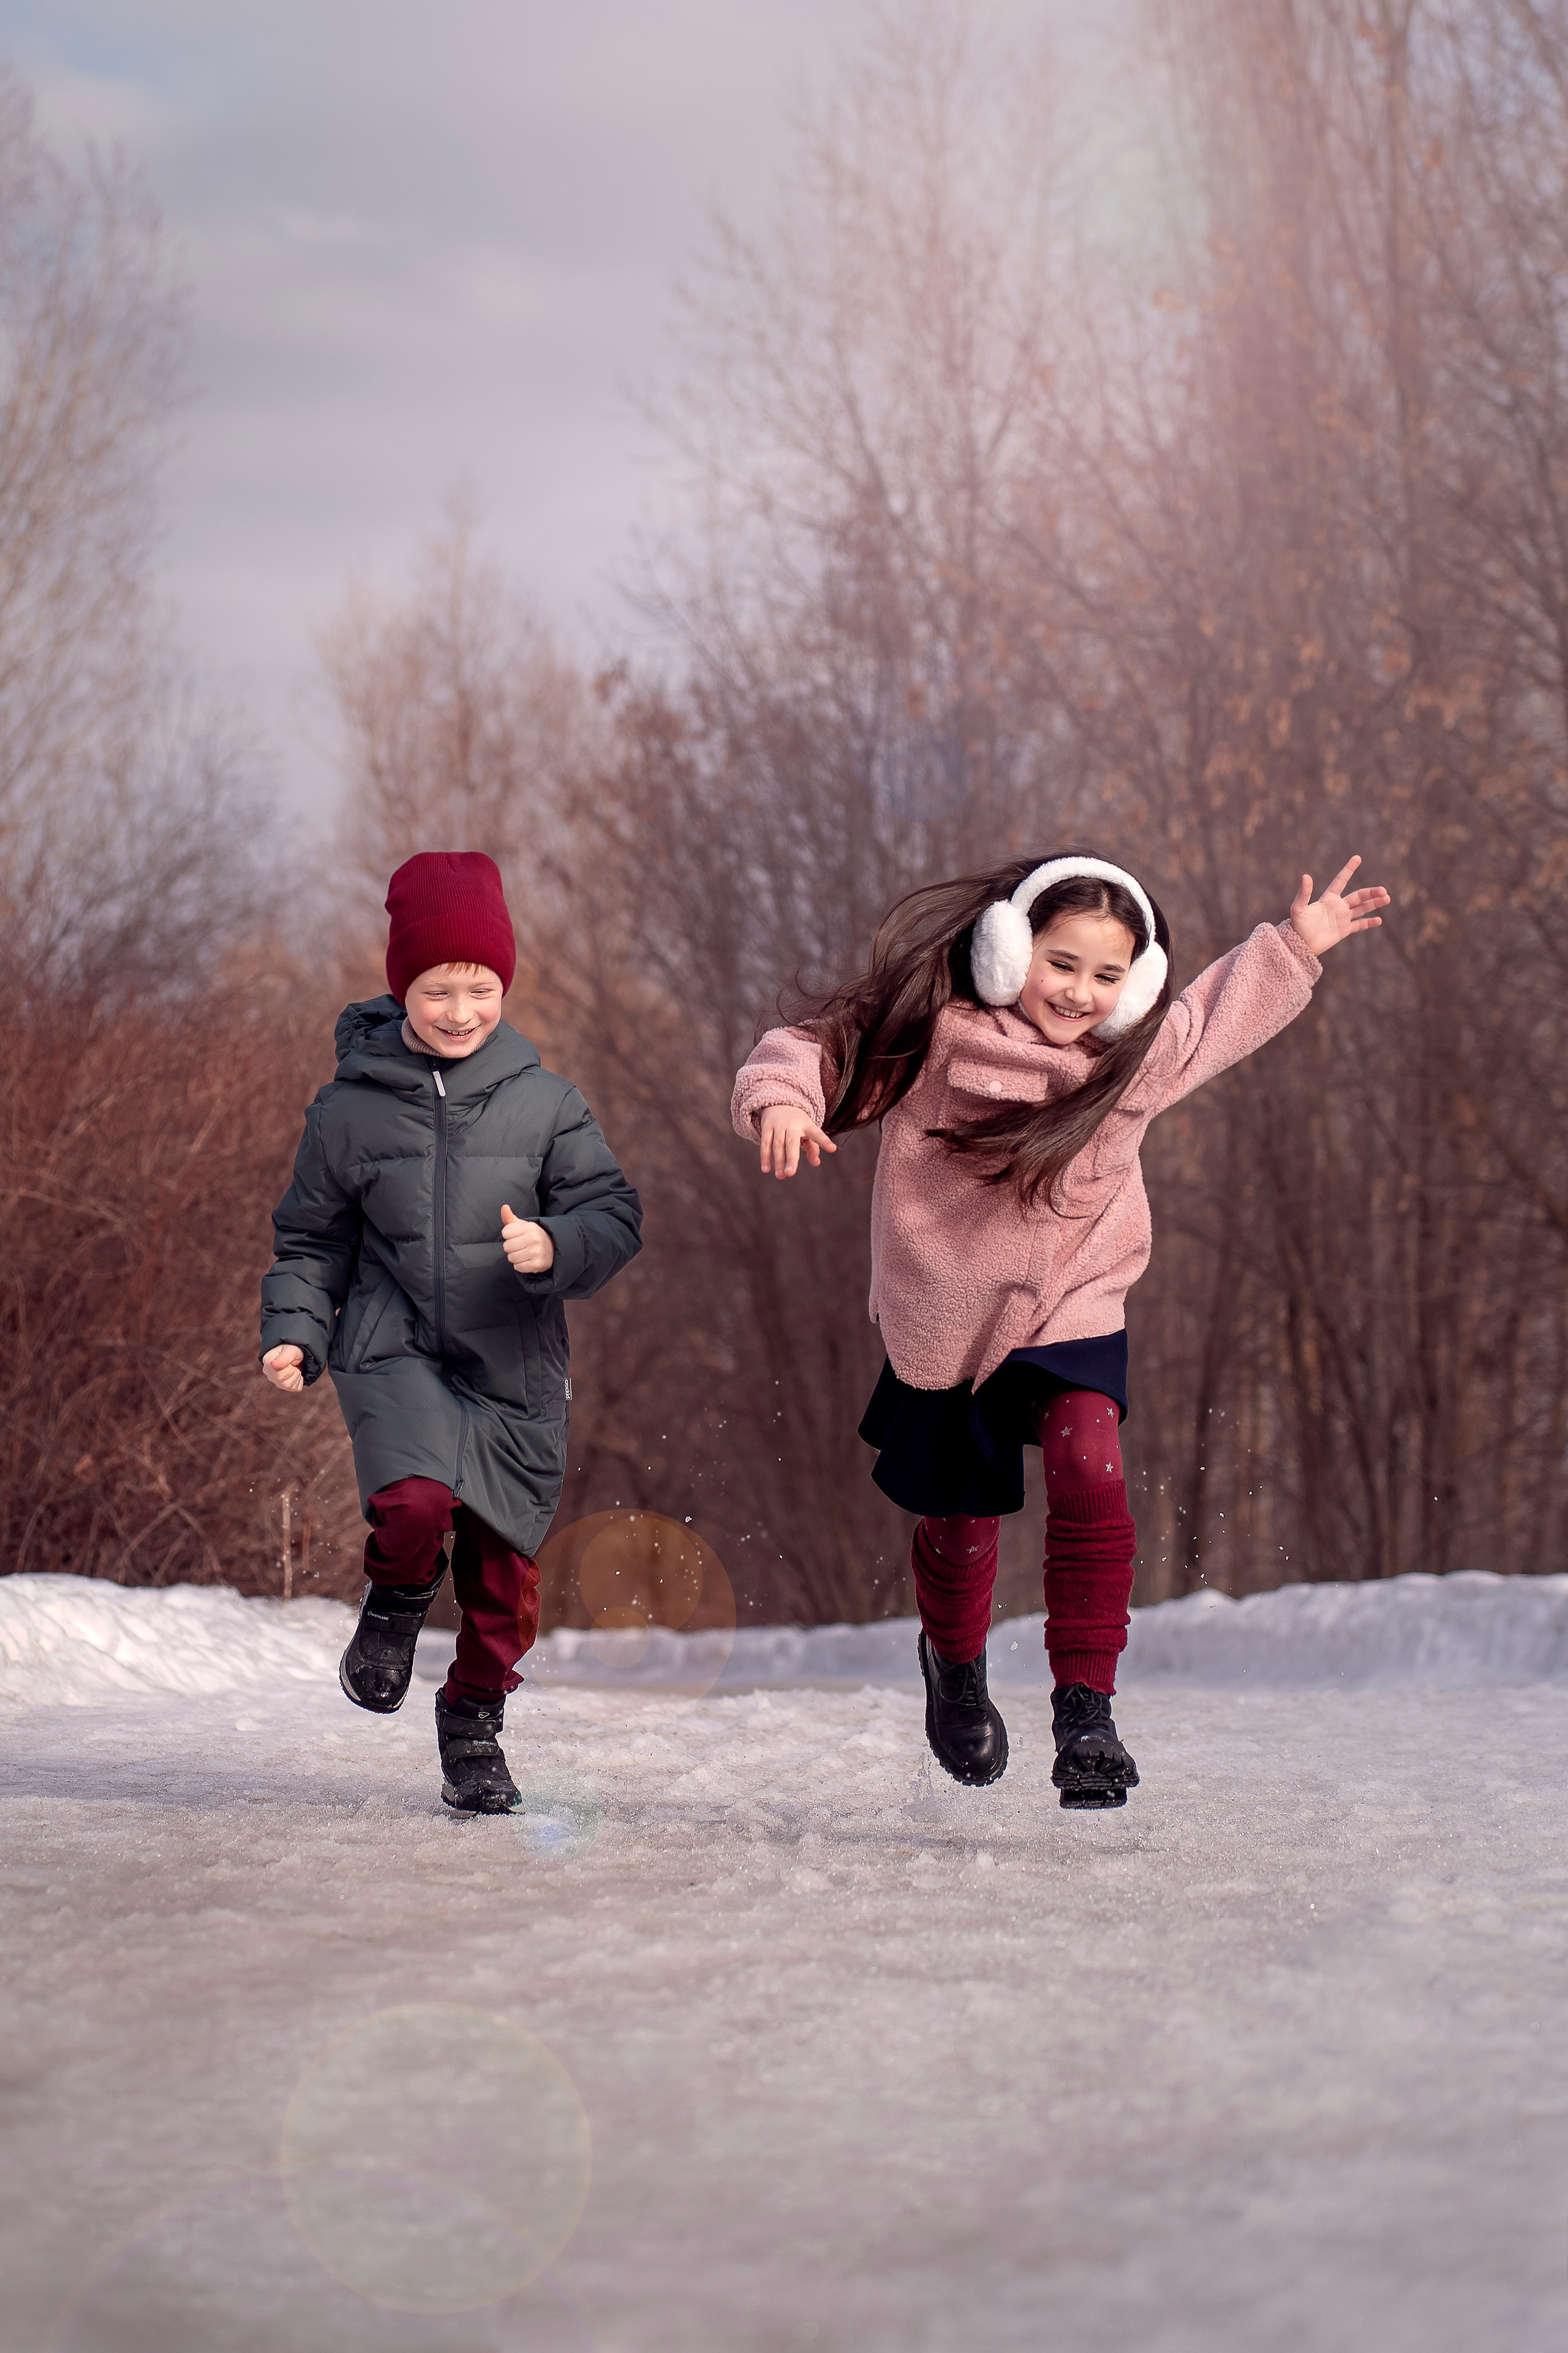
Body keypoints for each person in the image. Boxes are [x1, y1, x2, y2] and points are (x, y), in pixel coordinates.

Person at [731, 851, 1389, 1807]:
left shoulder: (1133, 1060)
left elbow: (1216, 1013)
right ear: (1007, 949)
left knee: (1091, 1460)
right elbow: (812, 1049)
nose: (1080, 992)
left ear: (1137, 984)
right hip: (947, 1320)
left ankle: (1087, 1713)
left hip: (1073, 1300)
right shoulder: (934, 1038)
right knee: (959, 1527)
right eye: (1061, 962)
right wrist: (784, 1102)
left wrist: (1297, 944)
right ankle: (953, 1665)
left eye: (1108, 974)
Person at [260, 850, 642, 1813]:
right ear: (403, 987)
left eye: (480, 987)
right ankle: (393, 1605)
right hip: (392, 1345)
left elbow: (615, 1213)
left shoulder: (546, 1102)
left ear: (503, 986)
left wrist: (555, 1243)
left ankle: (474, 1716)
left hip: (512, 1355)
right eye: (439, 988)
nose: (461, 1009)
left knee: (504, 1575)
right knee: (416, 1504)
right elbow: (311, 1238)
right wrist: (297, 1330)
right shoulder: (348, 1110)